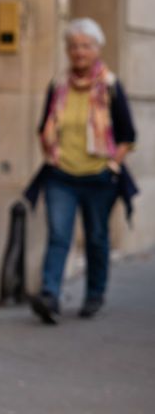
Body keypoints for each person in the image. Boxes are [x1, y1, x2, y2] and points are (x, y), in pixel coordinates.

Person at [24, 17, 138, 323]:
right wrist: (51, 155)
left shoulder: (111, 86)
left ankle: (94, 295)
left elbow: (128, 135)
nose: (79, 52)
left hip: (99, 177)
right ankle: (50, 296)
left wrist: (113, 164)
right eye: (74, 46)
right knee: (59, 235)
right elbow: (43, 128)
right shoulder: (58, 85)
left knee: (97, 236)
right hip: (61, 176)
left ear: (97, 49)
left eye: (86, 46)